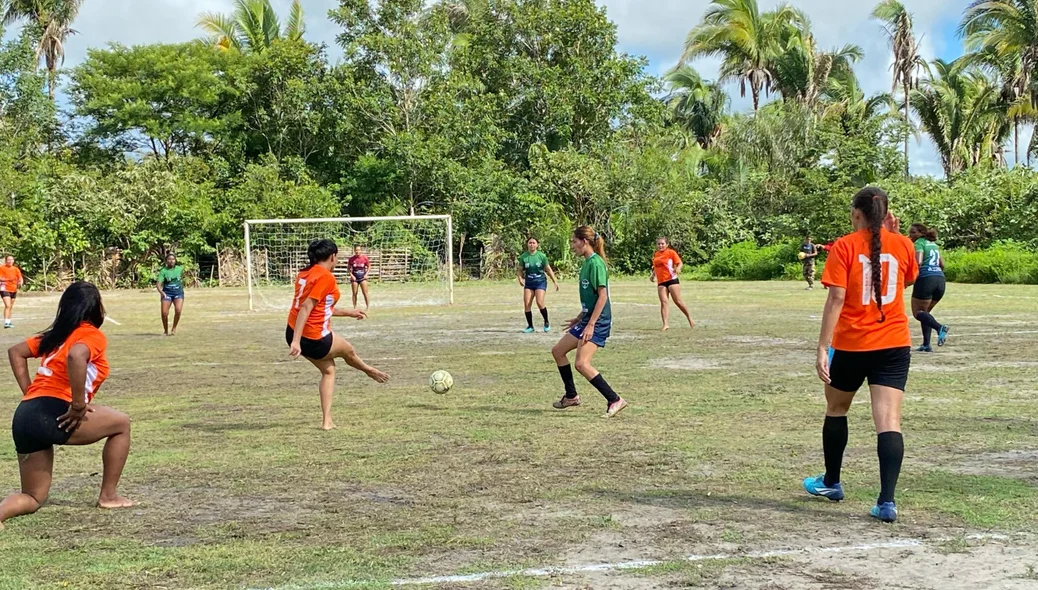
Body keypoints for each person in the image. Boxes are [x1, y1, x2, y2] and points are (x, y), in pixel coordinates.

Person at [803, 187, 918, 524]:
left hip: (854, 343)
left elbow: (836, 299)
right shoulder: (903, 244)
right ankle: (886, 502)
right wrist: (895, 237)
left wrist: (823, 347)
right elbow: (906, 280)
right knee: (889, 422)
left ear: (857, 214)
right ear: (886, 214)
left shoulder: (845, 246)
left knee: (836, 407)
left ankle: (832, 482)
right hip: (895, 344)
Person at [1, 282, 134, 531]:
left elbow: (15, 352)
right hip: (55, 410)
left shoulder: (55, 335)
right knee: (122, 423)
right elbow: (76, 356)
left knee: (32, 497)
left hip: (24, 415)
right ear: (96, 309)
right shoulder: (91, 334)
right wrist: (78, 405)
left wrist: (30, 392)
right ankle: (108, 496)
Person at [287, 239, 389, 431]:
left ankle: (327, 421)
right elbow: (306, 307)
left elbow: (319, 307)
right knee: (348, 350)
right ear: (332, 256)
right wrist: (296, 342)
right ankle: (369, 370)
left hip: (293, 330)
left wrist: (349, 312)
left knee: (329, 371)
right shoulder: (325, 277)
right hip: (312, 336)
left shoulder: (304, 273)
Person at [550, 226, 627, 418]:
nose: (572, 246)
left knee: (582, 364)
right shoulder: (586, 263)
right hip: (588, 319)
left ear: (584, 241)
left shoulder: (596, 264)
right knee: (558, 351)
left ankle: (614, 399)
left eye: (574, 242)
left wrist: (591, 324)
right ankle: (571, 396)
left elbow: (602, 296)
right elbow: (591, 298)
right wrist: (580, 317)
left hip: (598, 321)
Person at [908, 224, 949, 353]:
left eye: (913, 232)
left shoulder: (919, 243)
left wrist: (909, 276)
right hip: (940, 280)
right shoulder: (933, 244)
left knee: (918, 312)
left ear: (921, 233)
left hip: (926, 279)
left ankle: (940, 327)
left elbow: (918, 262)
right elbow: (942, 264)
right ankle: (926, 344)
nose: (910, 235)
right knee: (925, 314)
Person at [650, 237, 695, 331]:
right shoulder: (656, 254)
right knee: (664, 302)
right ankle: (665, 324)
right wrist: (653, 275)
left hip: (671, 279)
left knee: (677, 301)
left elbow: (680, 263)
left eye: (662, 244)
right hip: (661, 281)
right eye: (658, 244)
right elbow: (655, 266)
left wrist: (678, 268)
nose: (660, 245)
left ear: (667, 244)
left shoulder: (671, 252)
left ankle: (689, 318)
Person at [517, 237, 559, 333]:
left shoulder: (541, 256)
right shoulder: (524, 256)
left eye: (533, 243)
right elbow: (519, 270)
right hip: (529, 283)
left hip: (540, 282)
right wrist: (520, 278)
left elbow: (548, 269)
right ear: (527, 244)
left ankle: (546, 322)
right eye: (530, 243)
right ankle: (530, 326)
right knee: (527, 304)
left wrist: (555, 281)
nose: (532, 244)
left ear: (537, 245)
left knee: (540, 302)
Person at [155, 254, 184, 336]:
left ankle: (174, 327)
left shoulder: (179, 269)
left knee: (178, 310)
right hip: (167, 293)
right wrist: (161, 292)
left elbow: (183, 276)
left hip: (178, 293)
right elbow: (158, 284)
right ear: (166, 261)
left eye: (173, 259)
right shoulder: (163, 271)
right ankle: (166, 330)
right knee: (164, 313)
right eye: (169, 259)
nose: (171, 261)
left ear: (175, 260)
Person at [0, 256, 24, 329]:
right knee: (8, 305)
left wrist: (21, 282)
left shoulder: (16, 269)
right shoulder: (2, 268)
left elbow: (20, 278)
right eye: (8, 260)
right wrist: (6, 279)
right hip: (4, 288)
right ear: (6, 261)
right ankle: (6, 323)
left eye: (11, 259)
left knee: (10, 306)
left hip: (13, 289)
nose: (10, 261)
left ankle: (9, 321)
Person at [347, 245, 371, 310]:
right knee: (354, 293)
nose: (357, 251)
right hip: (355, 278)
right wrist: (351, 275)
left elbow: (369, 266)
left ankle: (367, 306)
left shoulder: (364, 258)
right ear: (354, 251)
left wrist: (366, 274)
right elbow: (348, 269)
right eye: (356, 250)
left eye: (358, 250)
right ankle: (354, 307)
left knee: (365, 292)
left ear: (361, 250)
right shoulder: (351, 259)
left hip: (363, 278)